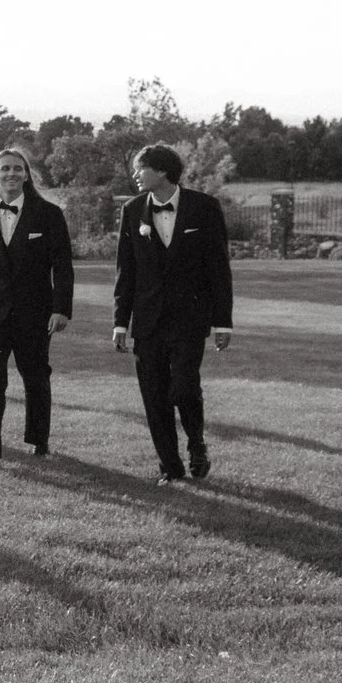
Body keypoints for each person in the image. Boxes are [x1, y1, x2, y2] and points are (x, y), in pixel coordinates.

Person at [112, 143, 234, 484]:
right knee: (153, 395)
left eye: (140, 168)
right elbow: (126, 271)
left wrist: (223, 321)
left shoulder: (204, 208)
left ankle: (197, 444)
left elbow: (218, 269)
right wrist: (121, 322)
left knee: (183, 388)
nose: (135, 175)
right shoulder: (133, 210)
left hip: (190, 318)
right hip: (148, 320)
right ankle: (170, 467)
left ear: (162, 170)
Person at [0, 147, 74, 470]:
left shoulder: (49, 214)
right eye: (4, 168)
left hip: (35, 312)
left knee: (36, 377)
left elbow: (62, 265)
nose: (11, 174)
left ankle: (39, 439)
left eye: (17, 168)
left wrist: (60, 308)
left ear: (27, 174)